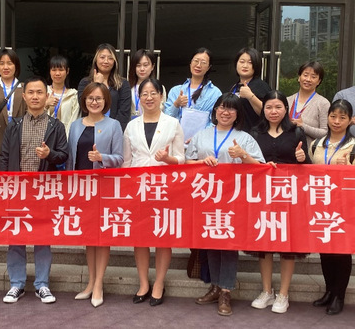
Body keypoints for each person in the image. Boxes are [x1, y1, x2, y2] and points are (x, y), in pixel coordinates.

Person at [186, 93, 265, 317]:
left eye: (231, 108)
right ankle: (215, 286)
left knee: (229, 244)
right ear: (215, 110)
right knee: (211, 240)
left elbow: (260, 167)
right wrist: (201, 162)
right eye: (222, 107)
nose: (225, 112)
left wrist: (243, 155)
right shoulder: (202, 135)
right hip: (206, 197)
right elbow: (187, 162)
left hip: (233, 200)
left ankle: (226, 291)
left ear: (238, 114)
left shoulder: (244, 138)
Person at [0, 76, 69, 305]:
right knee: (15, 238)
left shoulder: (56, 126)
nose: (35, 96)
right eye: (31, 92)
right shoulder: (14, 125)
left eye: (40, 92)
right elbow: (5, 158)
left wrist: (50, 155)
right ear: (24, 96)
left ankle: (42, 284)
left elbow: (64, 155)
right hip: (17, 190)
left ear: (47, 96)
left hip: (44, 191)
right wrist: (3, 187)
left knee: (42, 238)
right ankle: (17, 284)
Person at [248, 90, 310, 314]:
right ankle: (267, 290)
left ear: (286, 109)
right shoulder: (255, 133)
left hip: (288, 196)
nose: (273, 111)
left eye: (278, 107)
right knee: (264, 242)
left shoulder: (297, 132)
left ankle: (283, 293)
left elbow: (307, 167)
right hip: (261, 195)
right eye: (269, 107)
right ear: (263, 109)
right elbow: (249, 164)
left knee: (287, 244)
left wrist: (302, 159)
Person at [122, 78, 184, 307]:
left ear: (161, 96)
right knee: (140, 237)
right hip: (138, 188)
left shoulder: (172, 123)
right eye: (144, 94)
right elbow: (127, 161)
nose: (149, 98)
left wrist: (167, 159)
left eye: (153, 93)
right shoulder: (131, 125)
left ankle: (159, 283)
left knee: (162, 236)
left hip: (165, 188)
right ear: (139, 98)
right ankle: (143, 283)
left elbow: (181, 158)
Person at [308, 99, 355, 315]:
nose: (336, 121)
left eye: (342, 117)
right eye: (333, 116)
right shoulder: (316, 144)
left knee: (342, 251)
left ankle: (339, 296)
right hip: (321, 204)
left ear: (349, 120)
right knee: (325, 249)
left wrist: (348, 168)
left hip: (345, 206)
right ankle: (329, 290)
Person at [68, 82, 124, 308]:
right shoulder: (75, 125)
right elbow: (70, 158)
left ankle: (99, 284)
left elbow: (120, 159)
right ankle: (90, 283)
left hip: (103, 188)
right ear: (84, 100)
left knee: (102, 238)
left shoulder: (114, 125)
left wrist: (102, 158)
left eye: (99, 98)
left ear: (105, 101)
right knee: (89, 238)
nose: (94, 102)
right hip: (80, 189)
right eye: (90, 98)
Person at [163, 48, 222, 140]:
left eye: (203, 62)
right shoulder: (176, 91)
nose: (198, 65)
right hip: (176, 141)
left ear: (208, 67)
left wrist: (199, 138)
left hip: (202, 142)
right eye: (196, 61)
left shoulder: (214, 93)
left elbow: (215, 121)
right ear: (190, 63)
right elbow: (166, 118)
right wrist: (176, 104)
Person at [77, 43, 131, 130]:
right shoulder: (85, 83)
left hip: (114, 130)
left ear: (115, 61)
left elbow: (124, 113)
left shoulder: (123, 84)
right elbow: (84, 106)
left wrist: (113, 130)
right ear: (96, 60)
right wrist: (96, 84)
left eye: (110, 58)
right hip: (90, 128)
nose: (106, 61)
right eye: (102, 57)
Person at [287, 61, 330, 145]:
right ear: (299, 77)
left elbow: (325, 133)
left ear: (319, 81)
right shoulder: (287, 100)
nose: (308, 79)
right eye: (305, 75)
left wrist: (303, 126)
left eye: (313, 77)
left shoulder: (323, 103)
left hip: (309, 150)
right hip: (285, 149)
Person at [227, 47, 270, 131]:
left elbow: (268, 112)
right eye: (242, 61)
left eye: (250, 63)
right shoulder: (233, 87)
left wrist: (250, 96)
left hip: (253, 134)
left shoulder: (261, 86)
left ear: (256, 65)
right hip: (233, 133)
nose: (245, 66)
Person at [46, 55, 79, 137]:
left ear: (67, 71)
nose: (57, 73)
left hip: (65, 139)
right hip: (44, 138)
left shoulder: (73, 95)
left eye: (61, 70)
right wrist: (45, 104)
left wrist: (65, 139)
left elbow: (74, 121)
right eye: (54, 70)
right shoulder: (43, 92)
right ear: (50, 71)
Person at [128, 49, 166, 118]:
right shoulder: (129, 87)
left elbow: (162, 109)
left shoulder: (159, 87)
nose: (142, 69)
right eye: (138, 65)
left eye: (145, 65)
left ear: (152, 67)